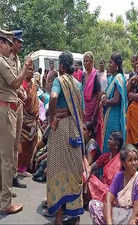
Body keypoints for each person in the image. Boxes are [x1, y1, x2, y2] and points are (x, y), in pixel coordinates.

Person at [0, 29, 33, 214]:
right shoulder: (0, 61)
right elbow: (15, 83)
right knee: (6, 159)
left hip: (0, 109)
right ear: (2, 44)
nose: (12, 46)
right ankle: (6, 203)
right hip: (5, 111)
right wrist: (25, 69)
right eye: (9, 43)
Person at [47, 51, 84, 224]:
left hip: (61, 129)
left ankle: (59, 217)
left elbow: (53, 97)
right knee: (73, 170)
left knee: (57, 169)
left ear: (61, 66)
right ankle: (75, 215)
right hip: (75, 129)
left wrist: (52, 115)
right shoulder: (77, 84)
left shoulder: (58, 81)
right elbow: (80, 110)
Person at [88, 146, 138, 225]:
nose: (134, 163)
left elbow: (137, 208)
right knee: (93, 204)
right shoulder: (119, 176)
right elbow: (108, 200)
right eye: (130, 160)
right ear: (123, 163)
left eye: (135, 159)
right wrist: (109, 223)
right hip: (119, 212)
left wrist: (131, 222)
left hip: (132, 215)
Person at [9, 29, 32, 186]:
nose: (20, 45)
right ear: (12, 43)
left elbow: (20, 83)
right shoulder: (8, 60)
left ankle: (13, 175)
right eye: (18, 42)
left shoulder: (17, 60)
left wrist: (22, 91)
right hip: (9, 105)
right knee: (9, 143)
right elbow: (13, 82)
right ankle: (7, 178)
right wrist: (20, 90)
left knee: (16, 142)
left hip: (18, 105)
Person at [100, 52, 127, 154]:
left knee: (112, 142)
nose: (109, 65)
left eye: (111, 63)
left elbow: (116, 100)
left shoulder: (118, 78)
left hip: (114, 116)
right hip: (110, 114)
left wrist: (105, 101)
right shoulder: (112, 78)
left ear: (117, 65)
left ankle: (112, 166)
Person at [85, 132, 124, 202]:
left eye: (111, 139)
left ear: (116, 146)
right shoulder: (106, 156)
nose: (108, 141)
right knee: (88, 177)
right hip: (103, 187)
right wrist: (87, 174)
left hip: (113, 191)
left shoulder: (121, 160)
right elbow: (92, 166)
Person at [82, 51, 103, 151]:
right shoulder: (83, 75)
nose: (86, 63)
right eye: (84, 61)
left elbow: (99, 94)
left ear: (92, 62)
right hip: (85, 108)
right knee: (84, 131)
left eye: (88, 61)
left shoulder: (96, 75)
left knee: (92, 132)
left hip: (93, 108)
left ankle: (93, 153)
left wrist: (95, 113)